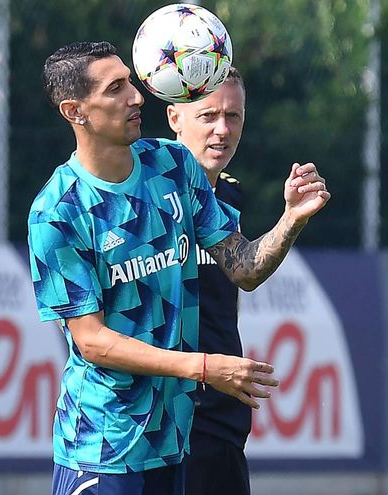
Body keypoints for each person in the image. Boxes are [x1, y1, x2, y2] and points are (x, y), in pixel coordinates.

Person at [29, 42, 329, 495]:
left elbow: (243, 268)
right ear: (76, 111)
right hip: (104, 446)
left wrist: (292, 220)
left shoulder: (172, 165)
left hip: (174, 442)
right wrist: (204, 367)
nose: (137, 96)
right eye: (115, 88)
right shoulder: (58, 212)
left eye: (131, 82)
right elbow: (92, 341)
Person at [167, 66, 254, 494]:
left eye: (233, 116)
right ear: (175, 118)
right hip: (161, 412)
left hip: (221, 411)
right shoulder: (145, 195)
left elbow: (242, 279)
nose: (222, 129)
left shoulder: (232, 195)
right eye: (208, 115)